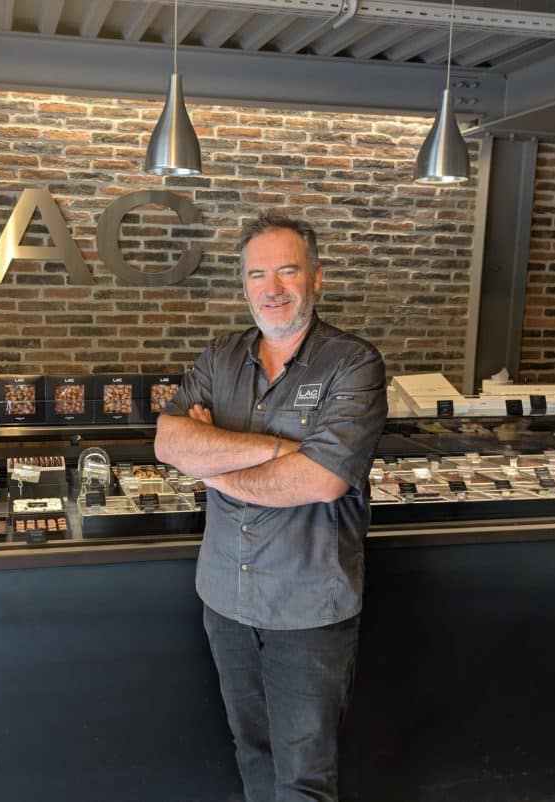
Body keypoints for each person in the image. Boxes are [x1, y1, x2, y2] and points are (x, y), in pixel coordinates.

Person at [154, 212, 387, 802]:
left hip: (309, 606)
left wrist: (212, 463)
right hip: (226, 599)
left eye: (288, 270)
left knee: (305, 773)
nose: (272, 288)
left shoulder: (354, 364)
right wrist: (280, 452)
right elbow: (168, 441)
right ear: (244, 284)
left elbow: (322, 481)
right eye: (258, 274)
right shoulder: (219, 357)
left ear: (316, 277)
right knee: (250, 751)